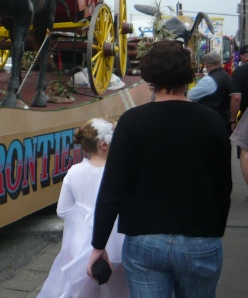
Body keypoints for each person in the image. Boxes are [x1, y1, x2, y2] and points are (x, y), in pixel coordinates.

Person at [87, 40, 232, 297]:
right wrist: (213, 230)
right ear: (189, 75)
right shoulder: (212, 122)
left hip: (145, 238)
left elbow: (112, 190)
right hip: (200, 237)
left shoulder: (132, 122)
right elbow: (223, 186)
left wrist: (98, 245)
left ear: (149, 77)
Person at [38, 118, 128, 298]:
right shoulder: (120, 172)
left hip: (79, 241)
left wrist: (83, 214)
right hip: (117, 240)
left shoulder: (74, 172)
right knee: (121, 289)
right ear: (104, 144)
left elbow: (62, 210)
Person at [187, 49, 231, 135]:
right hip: (224, 120)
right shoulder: (226, 76)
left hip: (209, 122)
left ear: (206, 65)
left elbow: (190, 96)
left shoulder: (209, 80)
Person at [229, 44, 248, 134]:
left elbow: (236, 98)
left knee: (243, 146)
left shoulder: (239, 71)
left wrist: (233, 120)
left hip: (245, 117)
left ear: (244, 56)